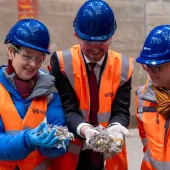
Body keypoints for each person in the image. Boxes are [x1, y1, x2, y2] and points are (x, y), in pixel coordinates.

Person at [49, 0, 134, 169]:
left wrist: (116, 127)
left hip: (109, 154)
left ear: (111, 37)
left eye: (102, 42)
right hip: (73, 153)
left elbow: (121, 109)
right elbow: (67, 107)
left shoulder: (124, 66)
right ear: (77, 36)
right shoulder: (62, 62)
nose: (95, 49)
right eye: (88, 42)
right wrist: (85, 130)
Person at [0, 18, 69, 170]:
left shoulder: (49, 89)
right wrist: (28, 141)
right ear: (11, 52)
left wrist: (54, 144)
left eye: (39, 59)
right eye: (27, 56)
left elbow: (61, 139)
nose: (33, 64)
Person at [135, 25, 170, 170]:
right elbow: (146, 141)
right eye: (146, 65)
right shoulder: (143, 95)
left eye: (156, 67)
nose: (149, 72)